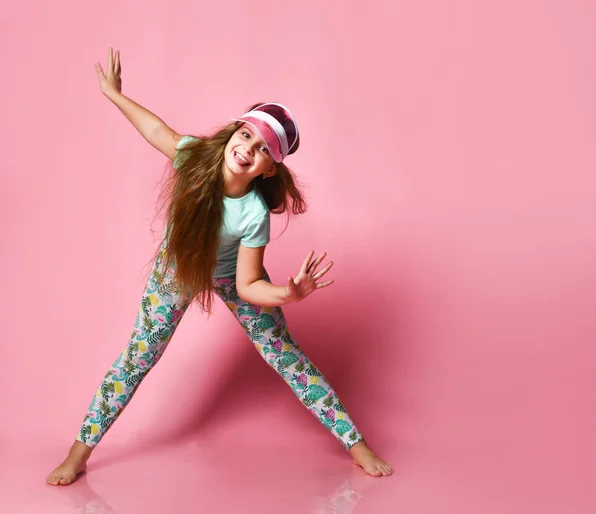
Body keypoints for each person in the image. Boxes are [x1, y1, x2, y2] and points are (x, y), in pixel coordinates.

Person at [46, 48, 393, 486]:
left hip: (231, 278)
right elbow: (155, 128)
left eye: (263, 149)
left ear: (270, 169)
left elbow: (248, 285)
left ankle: (356, 444)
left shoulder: (254, 215)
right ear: (233, 132)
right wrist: (115, 95)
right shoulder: (194, 156)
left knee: (288, 358)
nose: (248, 149)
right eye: (246, 135)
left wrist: (288, 293)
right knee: (136, 358)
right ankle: (78, 454)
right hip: (178, 270)